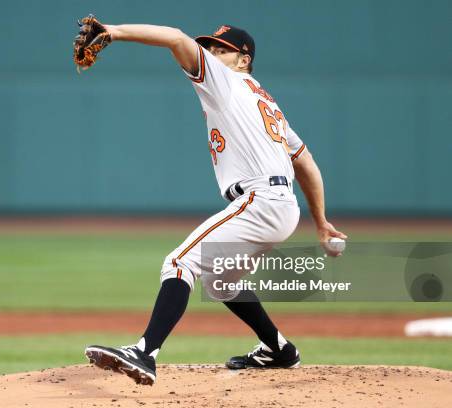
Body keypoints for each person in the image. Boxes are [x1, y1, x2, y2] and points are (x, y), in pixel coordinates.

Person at [84, 21, 347, 386]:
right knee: (221, 281)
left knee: (179, 262)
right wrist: (320, 220)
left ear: (243, 59)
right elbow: (305, 162)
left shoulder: (226, 82)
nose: (211, 54)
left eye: (221, 49)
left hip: (259, 200)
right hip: (281, 205)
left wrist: (114, 31)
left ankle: (144, 353)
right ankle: (278, 349)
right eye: (211, 48)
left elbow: (177, 38)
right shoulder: (266, 101)